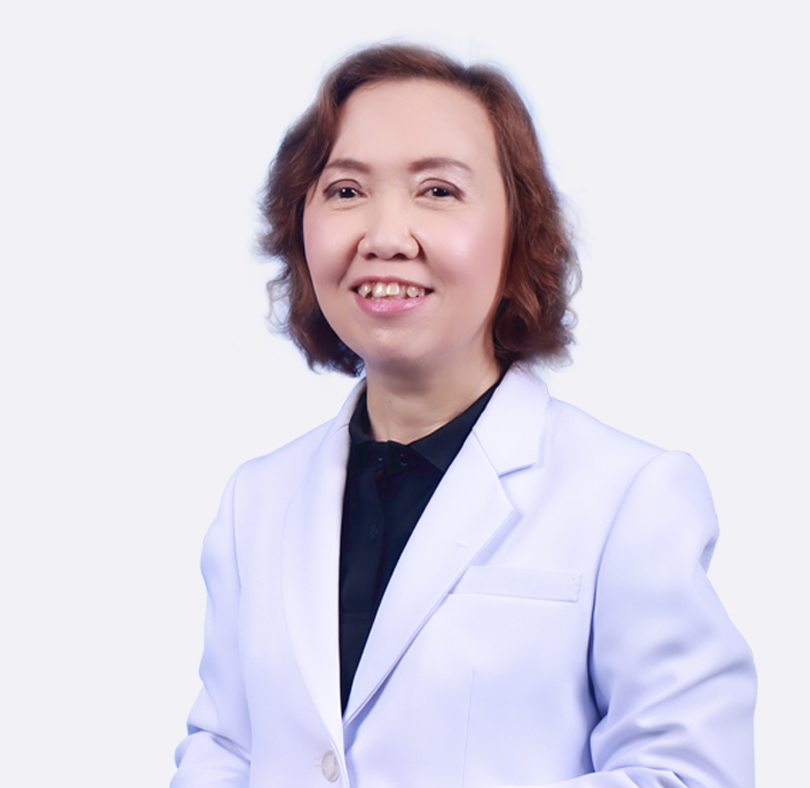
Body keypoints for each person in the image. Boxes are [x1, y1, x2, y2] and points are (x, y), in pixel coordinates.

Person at [171, 44, 756, 788]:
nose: (386, 237)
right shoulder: (255, 500)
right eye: (345, 190)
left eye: (438, 191)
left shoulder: (630, 496)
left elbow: (688, 774)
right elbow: (225, 750)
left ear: (519, 233)